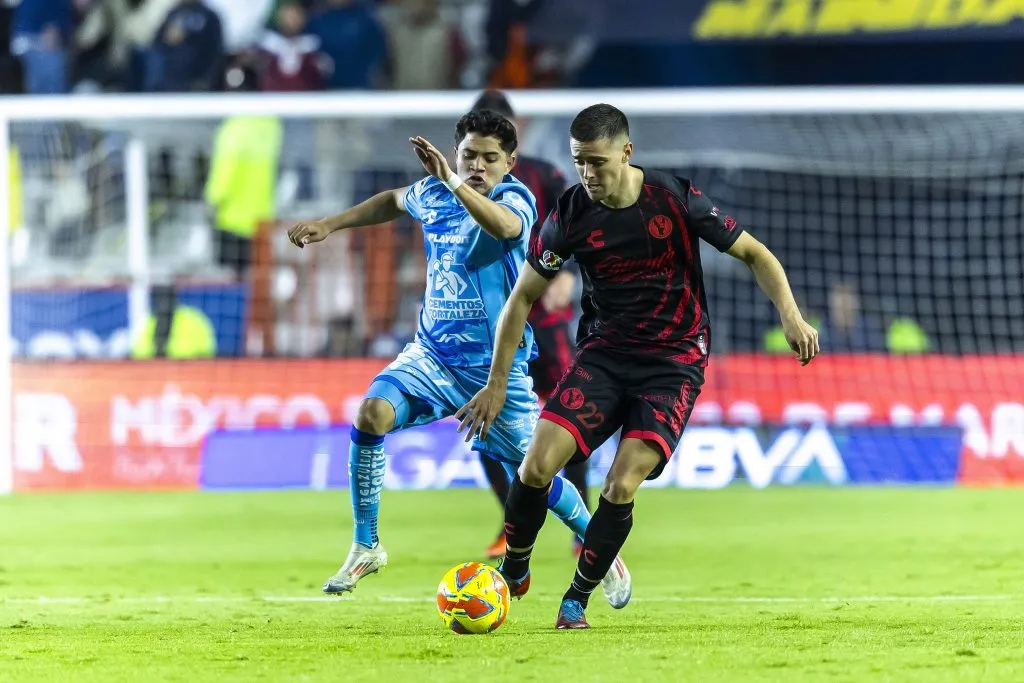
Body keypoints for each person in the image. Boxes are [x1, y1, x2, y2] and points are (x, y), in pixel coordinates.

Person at [457, 104, 819, 629]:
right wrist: (495, 384)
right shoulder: (570, 214)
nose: (588, 175)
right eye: (580, 162)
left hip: (673, 363)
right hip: (605, 355)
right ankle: (515, 569)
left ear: (627, 153)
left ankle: (576, 599)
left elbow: (757, 255)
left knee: (620, 485)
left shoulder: (676, 199)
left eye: (597, 163)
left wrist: (791, 316)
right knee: (536, 465)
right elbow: (520, 301)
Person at [286, 109, 631, 608]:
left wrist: (452, 180)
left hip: (497, 369)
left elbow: (506, 229)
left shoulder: (515, 198)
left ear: (509, 163)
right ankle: (367, 544)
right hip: (432, 355)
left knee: (536, 476)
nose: (478, 165)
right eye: (468, 155)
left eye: (491, 158)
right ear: (456, 153)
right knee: (370, 413)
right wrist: (330, 224)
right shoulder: (432, 193)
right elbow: (393, 200)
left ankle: (605, 552)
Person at [468, 90, 588, 561]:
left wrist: (572, 275)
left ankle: (583, 526)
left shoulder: (544, 175)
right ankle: (511, 519)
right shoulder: (462, 186)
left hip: (546, 324)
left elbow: (582, 222)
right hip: (492, 330)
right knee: (485, 424)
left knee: (571, 420)